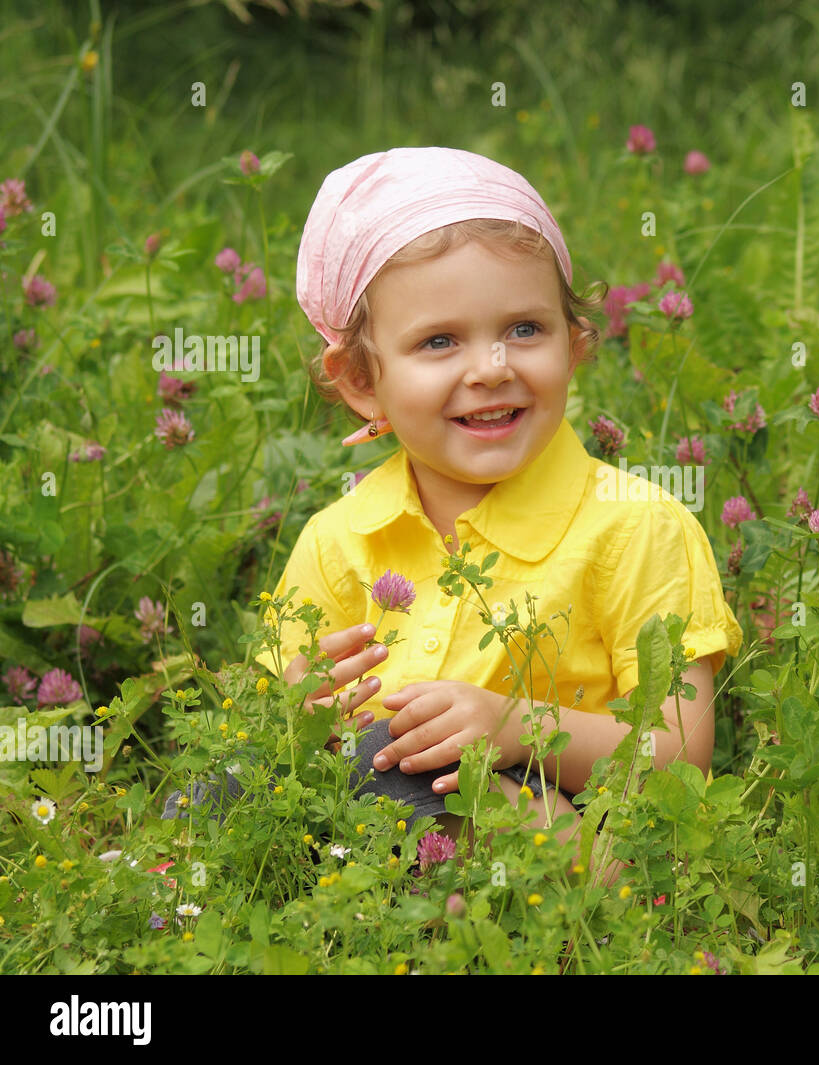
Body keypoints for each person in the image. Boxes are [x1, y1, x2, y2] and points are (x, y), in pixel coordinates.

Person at [257, 146, 743, 858]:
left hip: (549, 812)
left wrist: (515, 725)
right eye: (440, 340)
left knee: (399, 772)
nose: (491, 368)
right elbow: (284, 728)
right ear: (362, 378)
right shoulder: (338, 539)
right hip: (371, 798)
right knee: (237, 780)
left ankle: (579, 889)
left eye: (524, 329)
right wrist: (306, 707)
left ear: (575, 344)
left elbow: (682, 752)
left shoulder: (636, 526)